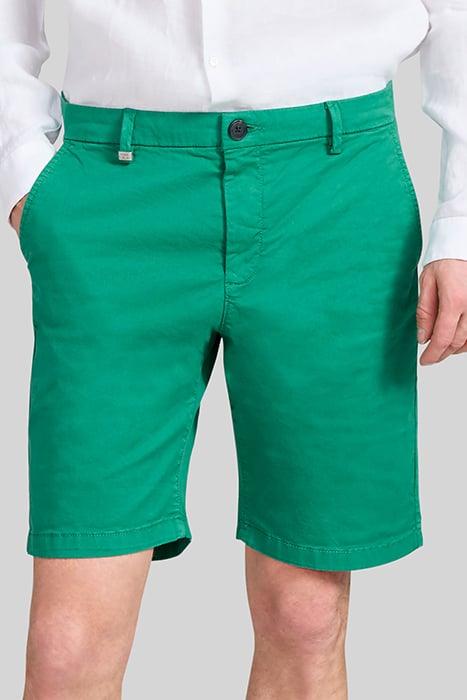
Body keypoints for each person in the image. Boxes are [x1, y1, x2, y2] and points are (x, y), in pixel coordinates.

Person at [1, 2, 466, 698]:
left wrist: (461, 218)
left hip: (335, 195)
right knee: (67, 643)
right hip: (113, 194)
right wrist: (22, 166)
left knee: (304, 614)